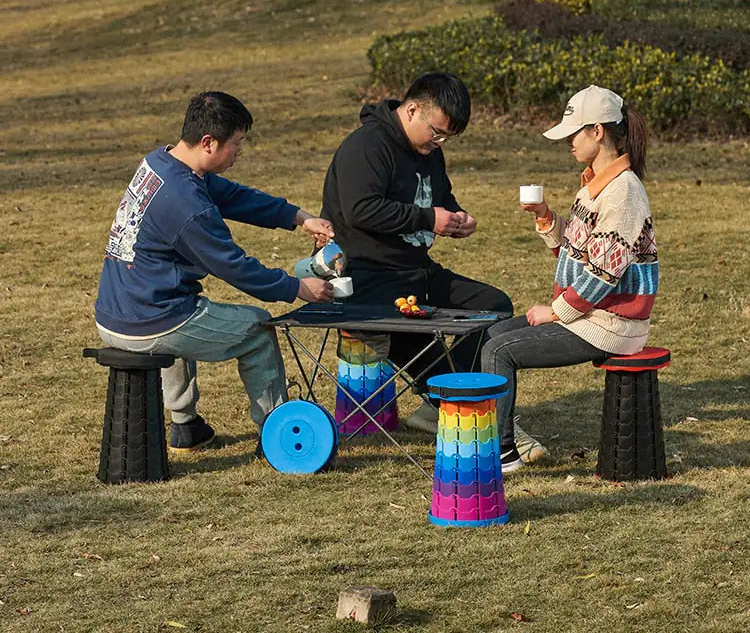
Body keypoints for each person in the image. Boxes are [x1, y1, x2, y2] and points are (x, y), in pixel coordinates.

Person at [320, 71, 545, 461]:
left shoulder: (430, 153)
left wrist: (457, 219)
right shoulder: (366, 146)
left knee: (495, 305)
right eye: (437, 132)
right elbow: (360, 210)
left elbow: (441, 198)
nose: (439, 143)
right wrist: (428, 220)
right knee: (419, 339)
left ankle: (438, 403)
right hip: (368, 277)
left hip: (417, 271)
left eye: (448, 138)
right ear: (412, 110)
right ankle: (465, 410)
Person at [93, 91, 334, 454]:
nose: (239, 153)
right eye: (236, 144)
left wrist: (298, 217)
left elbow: (233, 197)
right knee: (256, 330)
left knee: (184, 307)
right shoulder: (186, 204)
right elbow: (233, 266)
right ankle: (277, 433)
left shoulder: (161, 162)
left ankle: (186, 426)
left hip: (116, 311)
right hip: (150, 320)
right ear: (208, 142)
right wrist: (296, 287)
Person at [480, 85, 658, 473]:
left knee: (500, 352)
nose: (568, 143)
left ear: (597, 131)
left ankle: (502, 453)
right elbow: (576, 254)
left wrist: (557, 312)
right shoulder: (594, 184)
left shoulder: (624, 193)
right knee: (491, 337)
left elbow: (604, 274)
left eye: (573, 134)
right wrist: (545, 216)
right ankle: (499, 438)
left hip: (611, 325)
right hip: (592, 316)